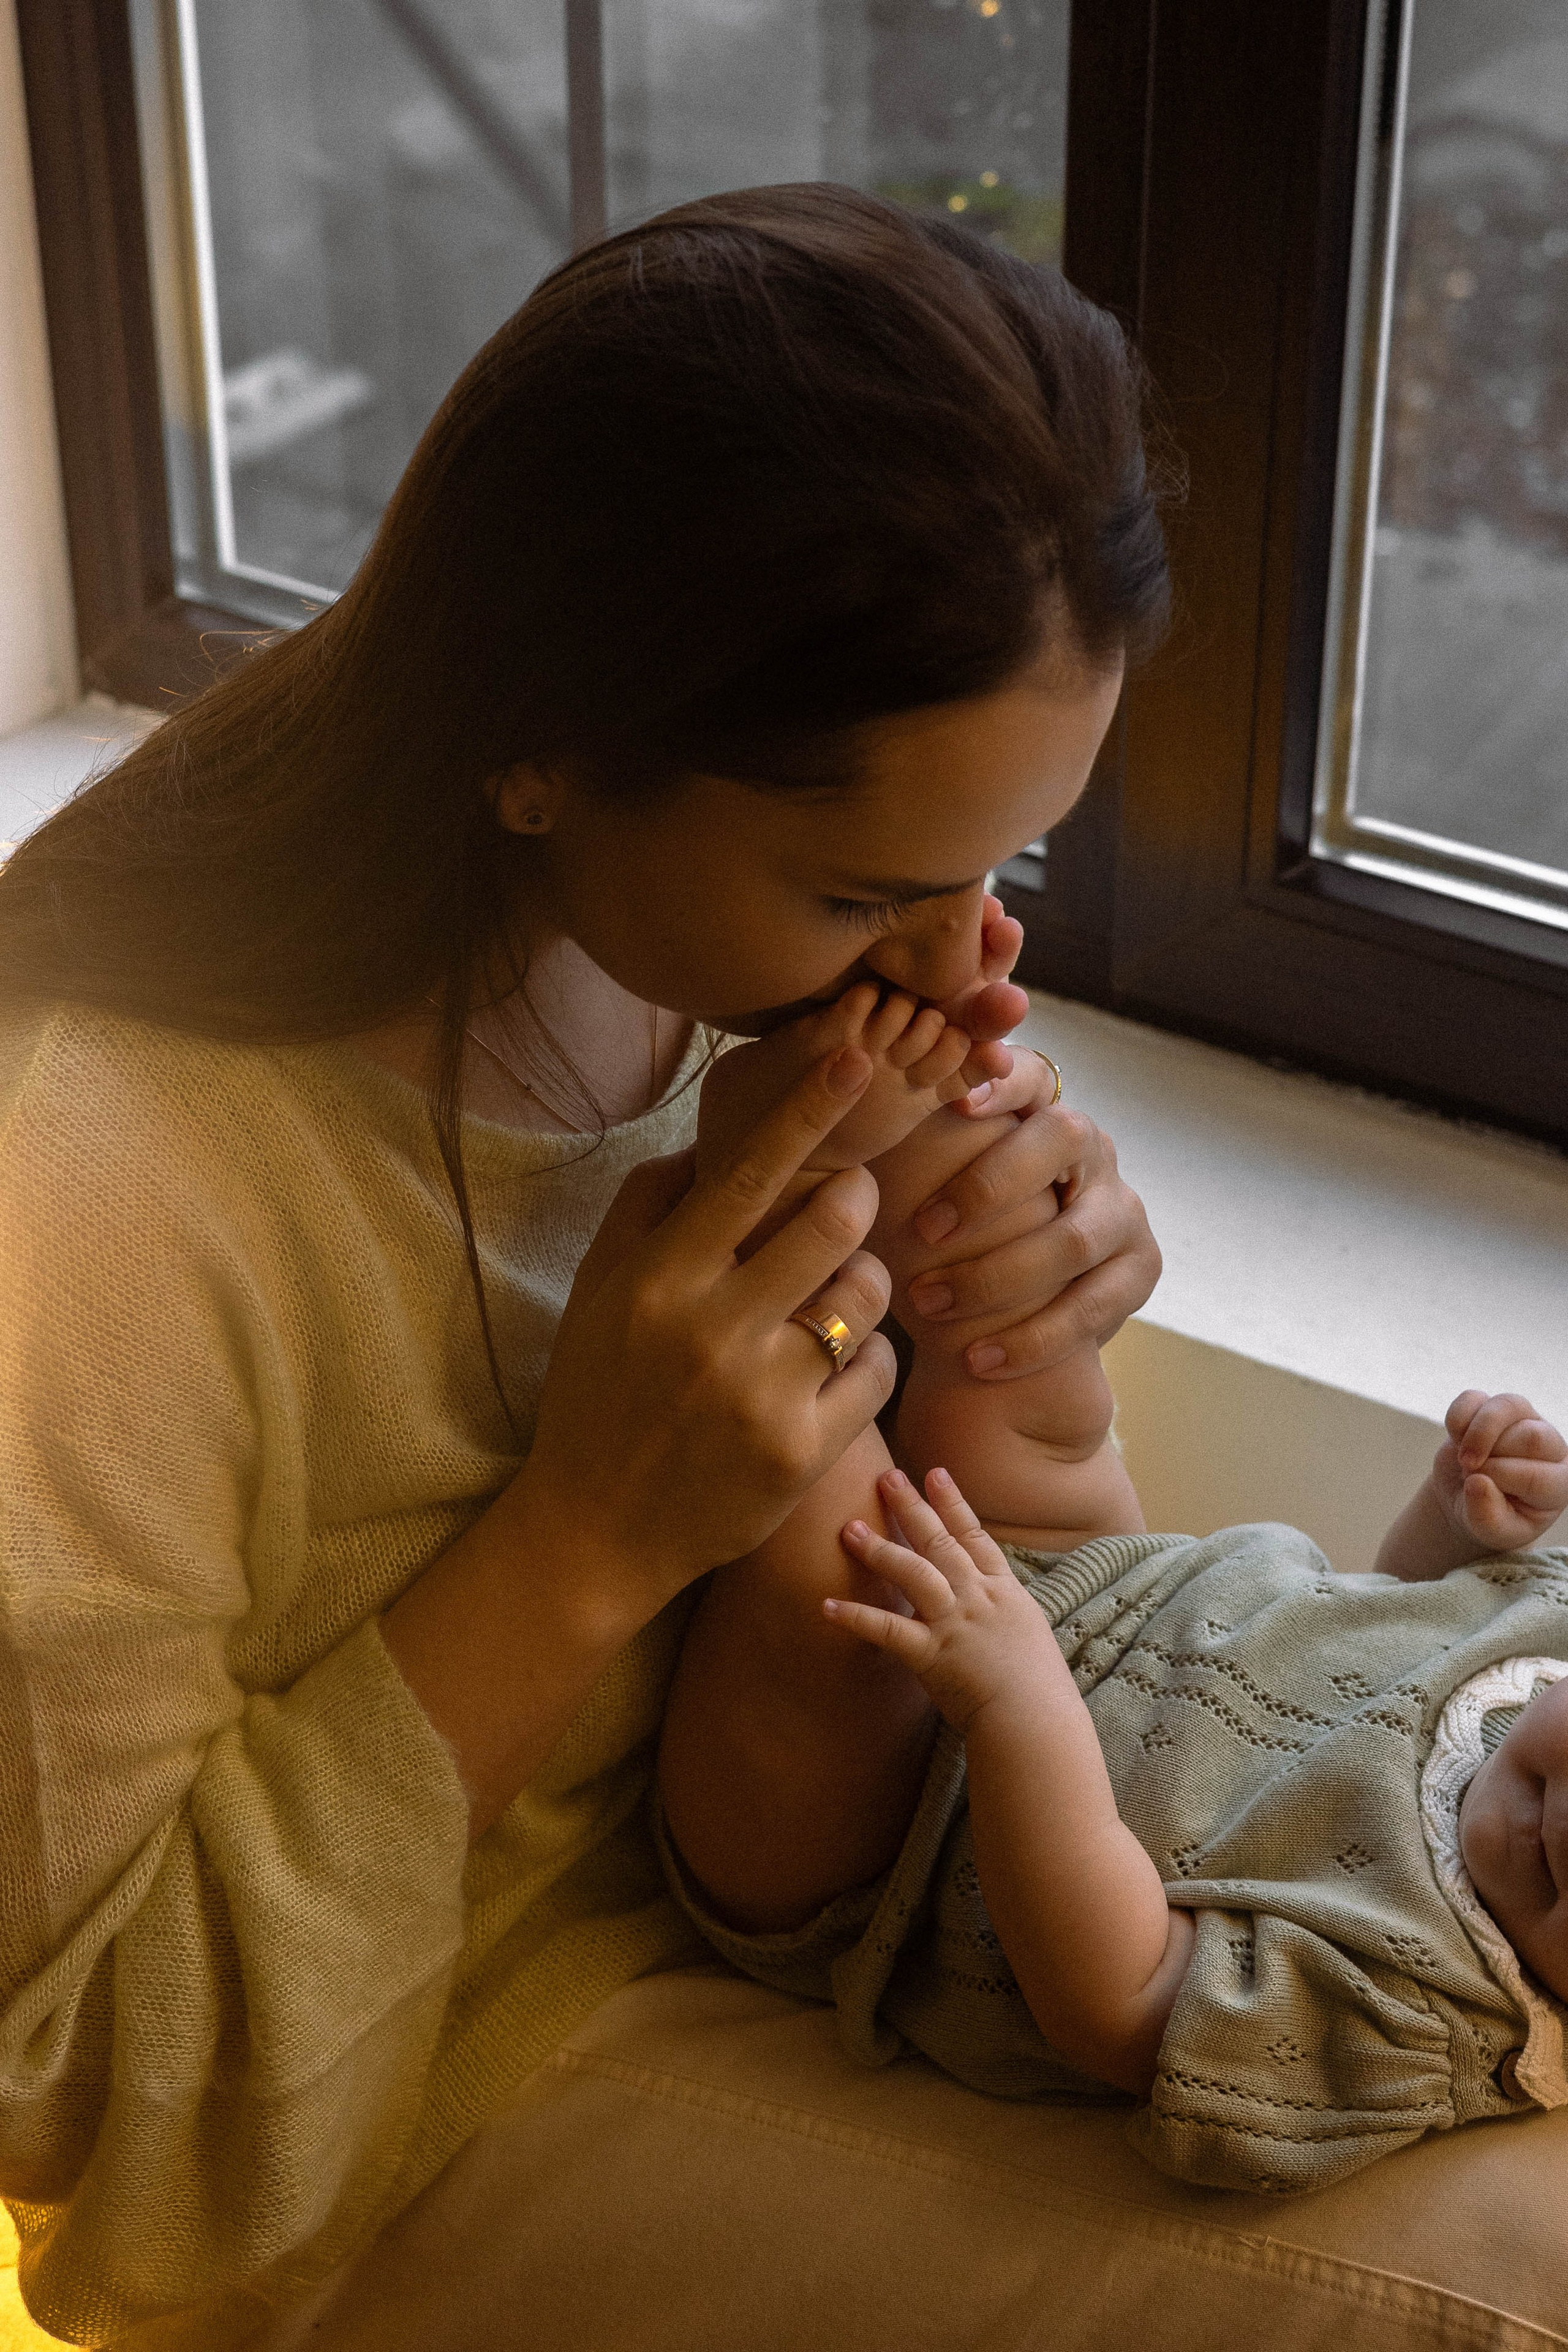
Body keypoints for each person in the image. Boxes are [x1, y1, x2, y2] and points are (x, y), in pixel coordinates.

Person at [0, 187, 1170, 2345]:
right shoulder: (87, 1200)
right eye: (865, 896)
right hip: (429, 2086)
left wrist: (998, 1309)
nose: (968, 975)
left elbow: (902, 1553)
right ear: (538, 742)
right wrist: (585, 1540)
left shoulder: (689, 954)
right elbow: (82, 2105)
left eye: (1002, 867)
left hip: (870, 1887)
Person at [653, 988, 1568, 2194]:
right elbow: (1382, 1627)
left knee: (830, 1501)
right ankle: (858, 1074)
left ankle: (752, 1201)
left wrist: (1016, 1702)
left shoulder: (1426, 2025)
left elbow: (1121, 2000)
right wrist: (1452, 1516)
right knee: (997, 1254)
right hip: (1090, 1560)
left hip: (886, 1831)